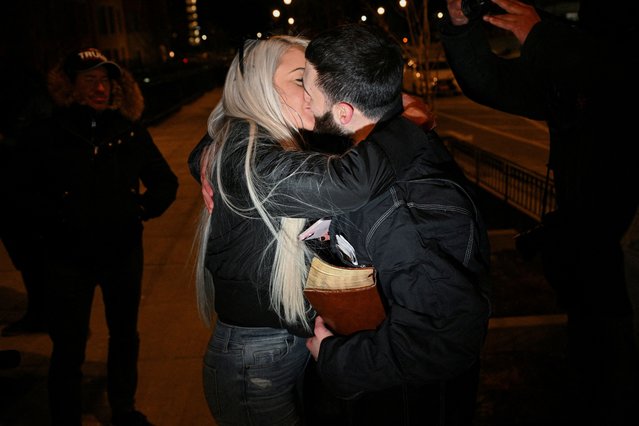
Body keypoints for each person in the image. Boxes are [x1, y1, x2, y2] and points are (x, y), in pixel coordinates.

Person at [187, 34, 439, 425]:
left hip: (284, 344)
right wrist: (407, 124)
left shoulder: (284, 138)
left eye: (315, 79)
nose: (313, 92)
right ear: (258, 86)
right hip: (255, 361)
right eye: (299, 79)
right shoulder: (246, 151)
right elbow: (347, 183)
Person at [439, 0, 639, 424]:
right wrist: (460, 25)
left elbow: (616, 83)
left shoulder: (594, 64)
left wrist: (545, 35)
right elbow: (490, 81)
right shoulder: (575, 68)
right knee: (596, 371)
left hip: (627, 258)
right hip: (592, 263)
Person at [298, 24, 491, 426]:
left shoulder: (406, 210)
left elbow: (445, 338)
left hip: (407, 404)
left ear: (344, 112)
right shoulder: (380, 159)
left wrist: (335, 358)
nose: (303, 100)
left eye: (308, 91)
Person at [20, 48, 178, 426]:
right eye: (89, 79)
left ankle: (123, 407)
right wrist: (52, 223)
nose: (100, 87)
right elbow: (22, 190)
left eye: (105, 79)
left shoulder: (128, 130)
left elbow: (164, 183)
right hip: (66, 255)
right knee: (69, 341)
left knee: (124, 333)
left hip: (121, 252)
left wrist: (138, 209)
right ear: (69, 86)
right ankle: (65, 413)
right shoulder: (49, 132)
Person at [0, 62, 51, 336]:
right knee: (26, 253)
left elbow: (31, 137)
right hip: (18, 183)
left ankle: (42, 311)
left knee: (30, 252)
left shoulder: (24, 88)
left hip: (21, 184)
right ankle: (40, 309)